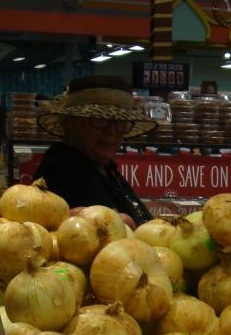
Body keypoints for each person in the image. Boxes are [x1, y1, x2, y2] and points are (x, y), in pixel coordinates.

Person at [34, 75, 157, 226]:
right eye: (101, 120)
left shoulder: (106, 167)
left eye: (121, 122)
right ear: (72, 123)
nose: (112, 131)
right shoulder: (65, 164)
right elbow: (111, 229)